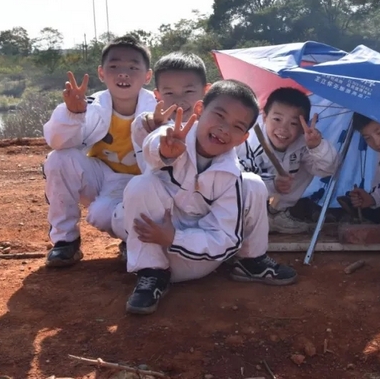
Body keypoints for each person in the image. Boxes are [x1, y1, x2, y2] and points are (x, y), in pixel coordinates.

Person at [123, 80, 298, 315]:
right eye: (219, 115)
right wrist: (165, 151)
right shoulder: (173, 136)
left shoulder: (232, 173)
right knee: (140, 184)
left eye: (237, 126)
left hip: (196, 257)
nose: (224, 129)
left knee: (254, 184)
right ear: (199, 110)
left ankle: (251, 261)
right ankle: (151, 274)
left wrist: (175, 237)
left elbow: (224, 238)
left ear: (243, 138)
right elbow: (152, 146)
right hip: (156, 246)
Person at [43, 35, 156, 267]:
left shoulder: (157, 109)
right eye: (114, 67)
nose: (123, 74)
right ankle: (65, 241)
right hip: (101, 178)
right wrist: (73, 114)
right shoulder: (90, 105)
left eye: (133, 67)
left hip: (142, 184)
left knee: (102, 215)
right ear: (101, 73)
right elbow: (56, 140)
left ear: (147, 76)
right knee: (58, 159)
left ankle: (132, 241)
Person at [110, 52, 211, 250]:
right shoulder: (151, 125)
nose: (179, 100)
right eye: (169, 93)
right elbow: (142, 129)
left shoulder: (216, 129)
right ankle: (142, 254)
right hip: (160, 212)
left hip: (201, 216)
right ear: (157, 95)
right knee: (123, 211)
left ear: (206, 91)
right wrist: (153, 125)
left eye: (189, 91)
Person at [237, 87, 339, 234]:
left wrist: (317, 146)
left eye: (293, 123)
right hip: (244, 207)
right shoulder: (249, 140)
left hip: (277, 202)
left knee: (313, 158)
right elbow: (237, 181)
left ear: (303, 125)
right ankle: (251, 218)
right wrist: (272, 184)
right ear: (264, 117)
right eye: (277, 119)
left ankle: (276, 214)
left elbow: (328, 170)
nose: (283, 129)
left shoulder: (304, 142)